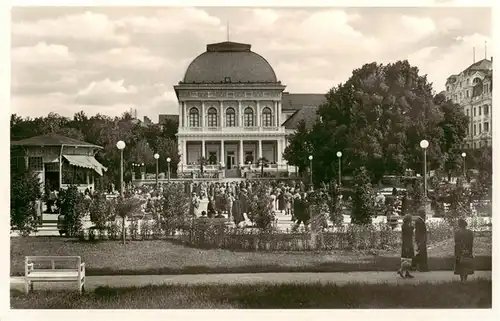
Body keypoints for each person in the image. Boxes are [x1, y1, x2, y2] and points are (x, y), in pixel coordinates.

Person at [454, 218, 474, 282]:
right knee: (466, 264)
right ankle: (465, 279)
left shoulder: (457, 232)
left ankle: (462, 279)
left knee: (460, 265)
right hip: (468, 250)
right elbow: (471, 242)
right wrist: (469, 250)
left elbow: (456, 242)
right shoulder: (470, 232)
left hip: (459, 251)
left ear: (459, 225)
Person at [398, 214, 415, 278]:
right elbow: (408, 234)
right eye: (411, 219)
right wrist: (412, 228)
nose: (411, 220)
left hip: (408, 243)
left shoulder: (406, 225)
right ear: (409, 219)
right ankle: (401, 270)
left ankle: (406, 272)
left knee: (408, 259)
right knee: (407, 258)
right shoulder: (405, 226)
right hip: (407, 244)